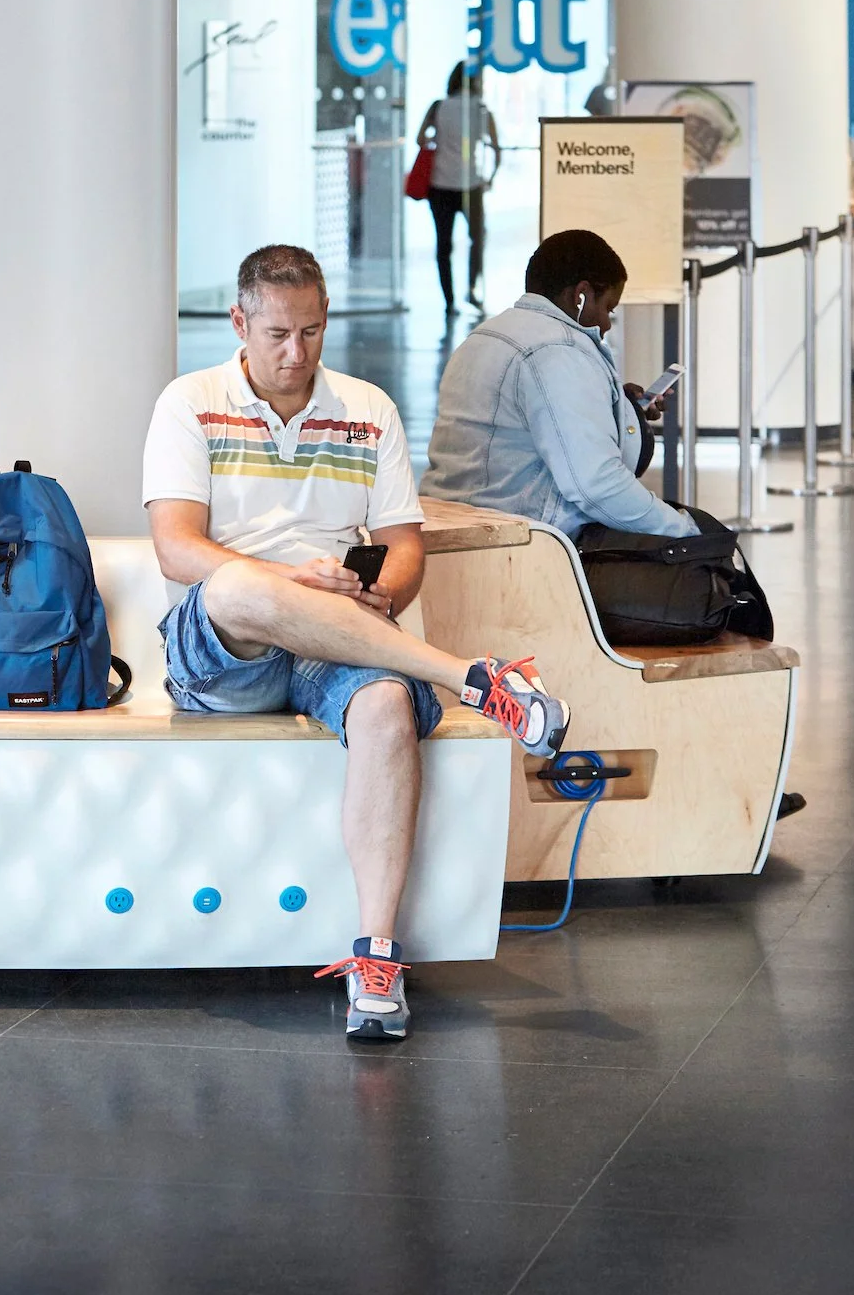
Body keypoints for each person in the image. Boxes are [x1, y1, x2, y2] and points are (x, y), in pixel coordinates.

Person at [142, 244, 573, 1043]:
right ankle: (471, 678)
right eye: (276, 333)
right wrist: (288, 584)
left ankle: (376, 961)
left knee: (383, 708)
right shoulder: (189, 402)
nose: (295, 353)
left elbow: (406, 545)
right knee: (238, 586)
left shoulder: (368, 408)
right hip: (221, 654)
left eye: (310, 332)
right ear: (239, 322)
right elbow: (177, 550)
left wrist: (383, 592)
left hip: (337, 642)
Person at [422, 229, 696, 540]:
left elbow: (516, 432)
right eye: (608, 308)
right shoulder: (557, 350)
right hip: (515, 545)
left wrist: (618, 409)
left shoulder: (486, 336)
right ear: (580, 295)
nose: (606, 324)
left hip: (452, 528)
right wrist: (686, 530)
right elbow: (596, 486)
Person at [415, 62, 500, 315]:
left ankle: (449, 301)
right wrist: (490, 177)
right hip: (471, 184)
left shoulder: (438, 106)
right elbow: (496, 147)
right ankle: (472, 288)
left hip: (440, 185)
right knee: (478, 236)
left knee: (443, 244)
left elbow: (420, 139)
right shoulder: (481, 110)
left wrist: (437, 140)